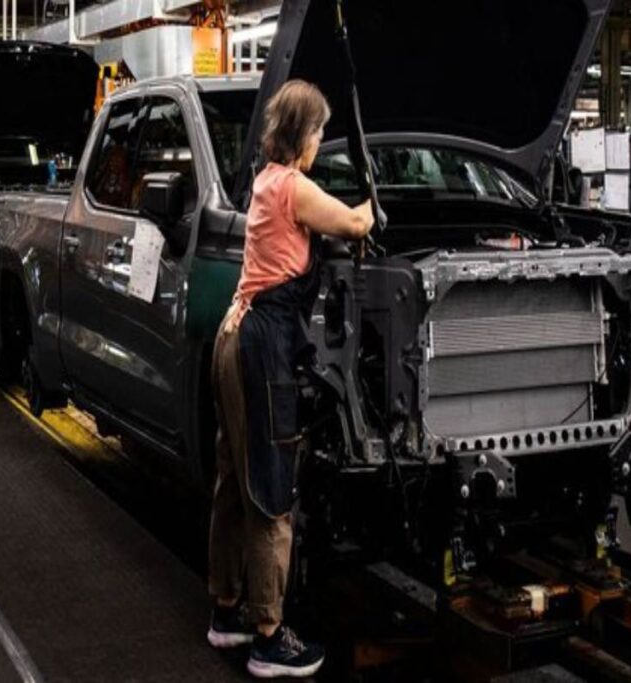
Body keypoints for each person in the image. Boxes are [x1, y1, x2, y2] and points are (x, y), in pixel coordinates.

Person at [206, 80, 375, 679]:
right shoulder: (292, 186)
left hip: (234, 333)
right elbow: (353, 223)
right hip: (262, 345)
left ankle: (226, 612)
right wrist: (374, 208)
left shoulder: (264, 182)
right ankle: (269, 638)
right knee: (271, 490)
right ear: (303, 134)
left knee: (235, 477)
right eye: (321, 131)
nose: (322, 141)